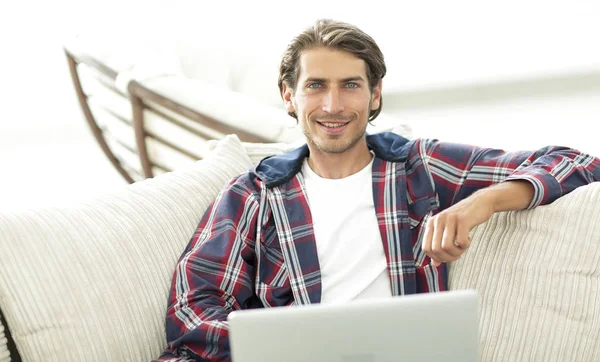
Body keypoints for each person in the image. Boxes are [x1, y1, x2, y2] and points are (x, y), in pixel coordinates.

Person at [155, 19, 600, 361]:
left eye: (350, 85)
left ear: (374, 95)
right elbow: (192, 310)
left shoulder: (417, 167)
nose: (333, 106)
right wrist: (290, 346)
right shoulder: (254, 194)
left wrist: (479, 204)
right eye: (316, 86)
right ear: (289, 96)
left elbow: (577, 163)